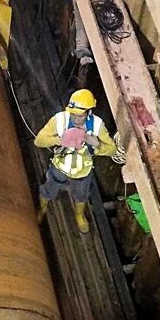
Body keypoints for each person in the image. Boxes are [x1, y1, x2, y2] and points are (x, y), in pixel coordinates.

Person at [34, 89, 116, 233]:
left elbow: (112, 150)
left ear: (89, 112)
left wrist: (96, 144)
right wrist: (60, 140)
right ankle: (42, 208)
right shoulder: (60, 120)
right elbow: (39, 140)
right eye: (73, 114)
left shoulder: (96, 126)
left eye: (80, 116)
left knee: (81, 195)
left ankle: (79, 214)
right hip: (60, 166)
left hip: (83, 171)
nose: (76, 119)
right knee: (49, 189)